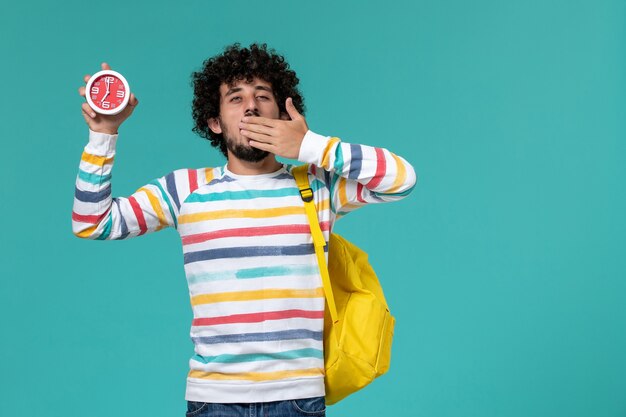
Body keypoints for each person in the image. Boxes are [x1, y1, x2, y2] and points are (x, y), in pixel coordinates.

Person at [73, 43, 417, 417]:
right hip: (213, 398)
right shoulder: (184, 190)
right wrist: (104, 133)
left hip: (298, 397)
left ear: (283, 112)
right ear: (215, 122)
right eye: (235, 98)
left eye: (262, 96)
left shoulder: (317, 187)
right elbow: (93, 222)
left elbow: (401, 179)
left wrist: (309, 146)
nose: (251, 106)